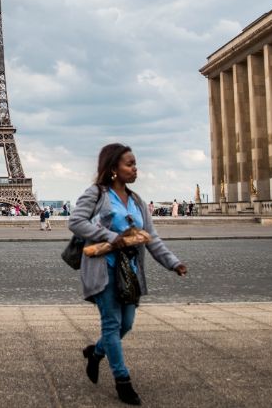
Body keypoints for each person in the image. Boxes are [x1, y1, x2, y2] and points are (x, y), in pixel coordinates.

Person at [69, 143, 188, 406]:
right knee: (111, 324)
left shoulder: (137, 201)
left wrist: (173, 262)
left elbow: (151, 237)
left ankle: (96, 353)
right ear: (113, 168)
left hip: (129, 271)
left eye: (135, 163)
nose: (135, 168)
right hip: (104, 268)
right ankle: (123, 380)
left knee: (126, 324)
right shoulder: (97, 194)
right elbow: (76, 221)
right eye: (129, 164)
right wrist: (112, 236)